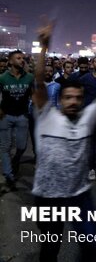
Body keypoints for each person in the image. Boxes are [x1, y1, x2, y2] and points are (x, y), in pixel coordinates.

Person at [30, 20, 96, 262]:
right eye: (68, 97)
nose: (73, 102)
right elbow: (38, 83)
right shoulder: (47, 116)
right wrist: (43, 47)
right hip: (48, 196)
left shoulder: (87, 118)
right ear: (61, 99)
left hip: (80, 195)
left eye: (78, 98)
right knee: (50, 247)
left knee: (90, 244)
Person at [0, 50, 34, 190]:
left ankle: (14, 163)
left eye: (23, 58)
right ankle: (9, 175)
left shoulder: (29, 77)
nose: (22, 60)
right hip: (5, 116)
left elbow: (34, 95)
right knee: (5, 147)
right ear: (10, 61)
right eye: (18, 58)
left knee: (21, 146)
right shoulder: (2, 78)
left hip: (22, 116)